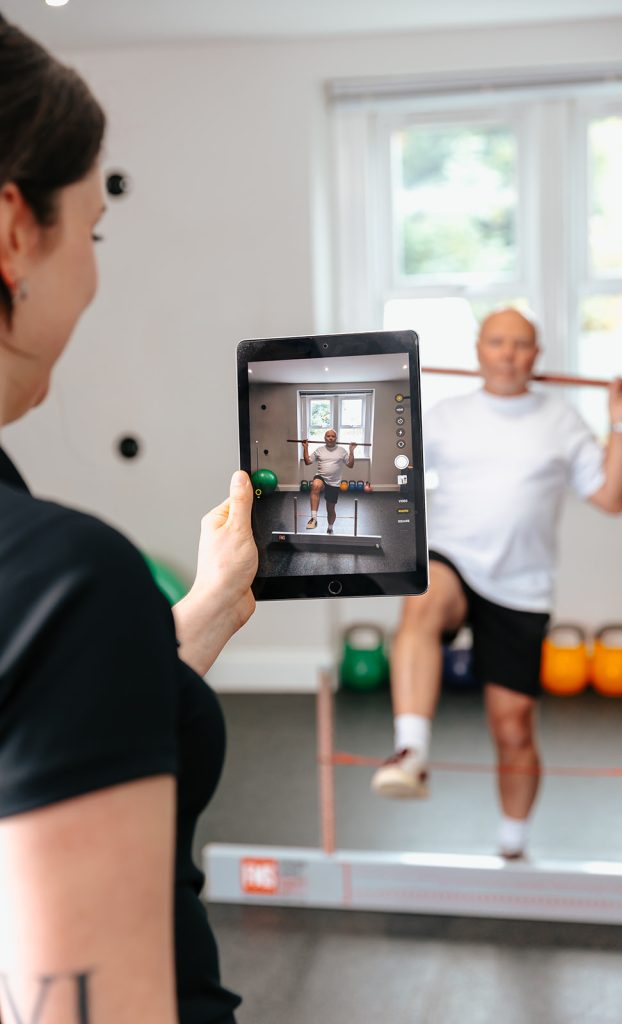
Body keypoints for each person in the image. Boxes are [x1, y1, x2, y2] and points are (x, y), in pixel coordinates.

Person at [0, 16, 257, 1024]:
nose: (97, 274)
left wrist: (199, 617)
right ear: (16, 232)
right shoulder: (68, 577)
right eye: (92, 231)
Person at [371, 307, 622, 859]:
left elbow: (612, 498)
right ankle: (410, 752)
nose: (508, 354)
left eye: (521, 345)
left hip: (521, 584)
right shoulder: (445, 414)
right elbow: (381, 476)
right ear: (479, 350)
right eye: (497, 342)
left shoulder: (561, 419)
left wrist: (618, 418)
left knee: (513, 726)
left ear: (536, 356)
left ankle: (513, 842)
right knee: (420, 607)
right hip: (453, 558)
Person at [302, 429, 356, 534]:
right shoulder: (319, 450)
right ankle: (314, 518)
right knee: (315, 486)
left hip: (334, 482)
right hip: (321, 477)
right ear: (324, 438)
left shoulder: (342, 450)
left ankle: (330, 527)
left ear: (336, 438)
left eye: (333, 436)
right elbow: (307, 461)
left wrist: (351, 451)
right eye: (328, 436)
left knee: (330, 509)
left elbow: (350, 465)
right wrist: (305, 448)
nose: (330, 438)